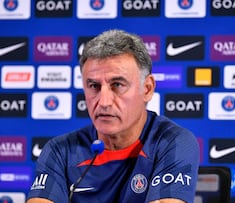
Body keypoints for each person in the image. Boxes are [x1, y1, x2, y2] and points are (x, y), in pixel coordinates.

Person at [27, 29, 200, 203]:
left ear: (147, 89)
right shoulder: (60, 150)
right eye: (94, 86)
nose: (103, 102)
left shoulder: (173, 141)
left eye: (117, 85)